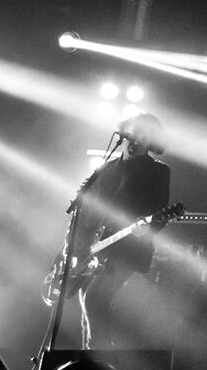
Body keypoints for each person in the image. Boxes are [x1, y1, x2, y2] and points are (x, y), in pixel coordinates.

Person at [72, 113, 174, 350]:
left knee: (95, 298)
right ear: (125, 133)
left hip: (129, 248)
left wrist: (146, 227)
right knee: (87, 298)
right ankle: (91, 356)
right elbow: (87, 209)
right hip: (98, 245)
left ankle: (102, 361)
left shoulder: (158, 171)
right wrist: (76, 243)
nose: (138, 137)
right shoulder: (107, 168)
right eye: (135, 131)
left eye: (145, 134)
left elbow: (159, 214)